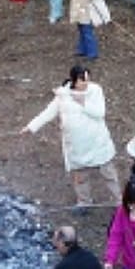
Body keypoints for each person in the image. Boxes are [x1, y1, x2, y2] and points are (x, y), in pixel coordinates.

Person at [22, 65, 122, 209]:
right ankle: (84, 202)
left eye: (87, 79)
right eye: (82, 81)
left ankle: (119, 199)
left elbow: (100, 113)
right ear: (74, 80)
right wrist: (31, 127)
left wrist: (83, 102)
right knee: (80, 177)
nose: (86, 83)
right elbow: (49, 112)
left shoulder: (95, 91)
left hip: (97, 141)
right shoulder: (63, 95)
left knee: (109, 173)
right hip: (77, 145)